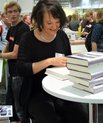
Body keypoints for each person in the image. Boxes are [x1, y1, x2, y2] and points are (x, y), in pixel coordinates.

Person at [17, 0, 88, 123]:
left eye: (58, 22)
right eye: (49, 23)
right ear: (39, 21)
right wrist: (49, 61)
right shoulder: (28, 39)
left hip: (61, 89)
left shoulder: (62, 36)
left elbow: (68, 60)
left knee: (80, 115)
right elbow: (22, 68)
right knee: (50, 118)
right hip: (36, 92)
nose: (55, 27)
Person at [0, 1, 30, 123]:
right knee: (11, 100)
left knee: (19, 106)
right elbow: (8, 44)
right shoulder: (12, 27)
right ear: (6, 14)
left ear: (19, 12)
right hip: (12, 70)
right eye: (10, 12)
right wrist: (3, 55)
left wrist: (1, 55)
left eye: (15, 11)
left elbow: (15, 54)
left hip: (19, 72)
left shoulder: (23, 29)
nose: (13, 14)